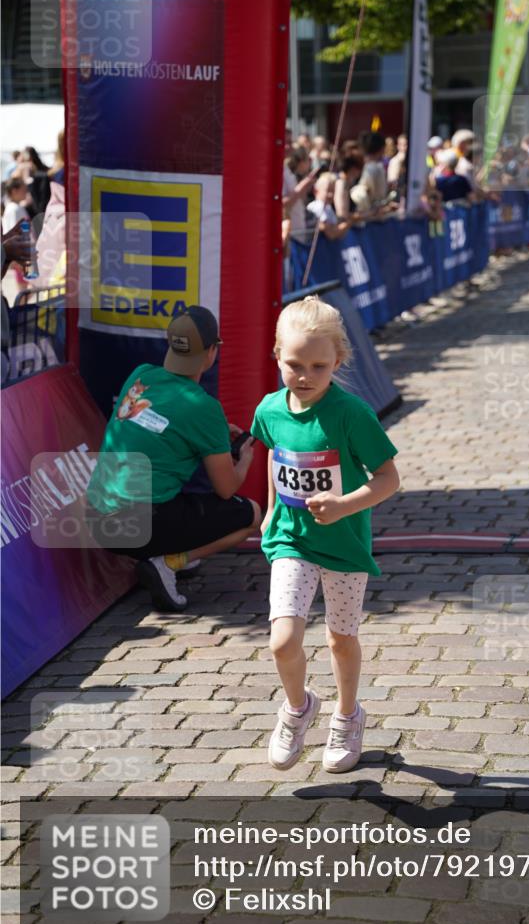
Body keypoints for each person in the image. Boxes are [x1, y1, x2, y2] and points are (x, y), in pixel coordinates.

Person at [250, 297, 400, 773]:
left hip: (344, 545)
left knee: (340, 638)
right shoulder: (270, 409)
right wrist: (273, 508)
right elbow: (276, 453)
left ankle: (347, 715)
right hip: (291, 541)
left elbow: (388, 479)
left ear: (339, 360)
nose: (305, 375)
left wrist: (343, 506)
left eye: (319, 365)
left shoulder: (351, 414)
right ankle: (297, 708)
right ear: (276, 355)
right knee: (282, 640)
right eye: (294, 364)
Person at [86, 306, 261, 611]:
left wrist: (216, 434)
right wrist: (244, 458)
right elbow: (226, 488)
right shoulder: (203, 407)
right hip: (141, 525)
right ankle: (168, 562)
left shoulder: (141, 374)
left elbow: (160, 428)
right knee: (251, 515)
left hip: (96, 517)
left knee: (173, 493)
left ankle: (170, 553)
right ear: (212, 351)